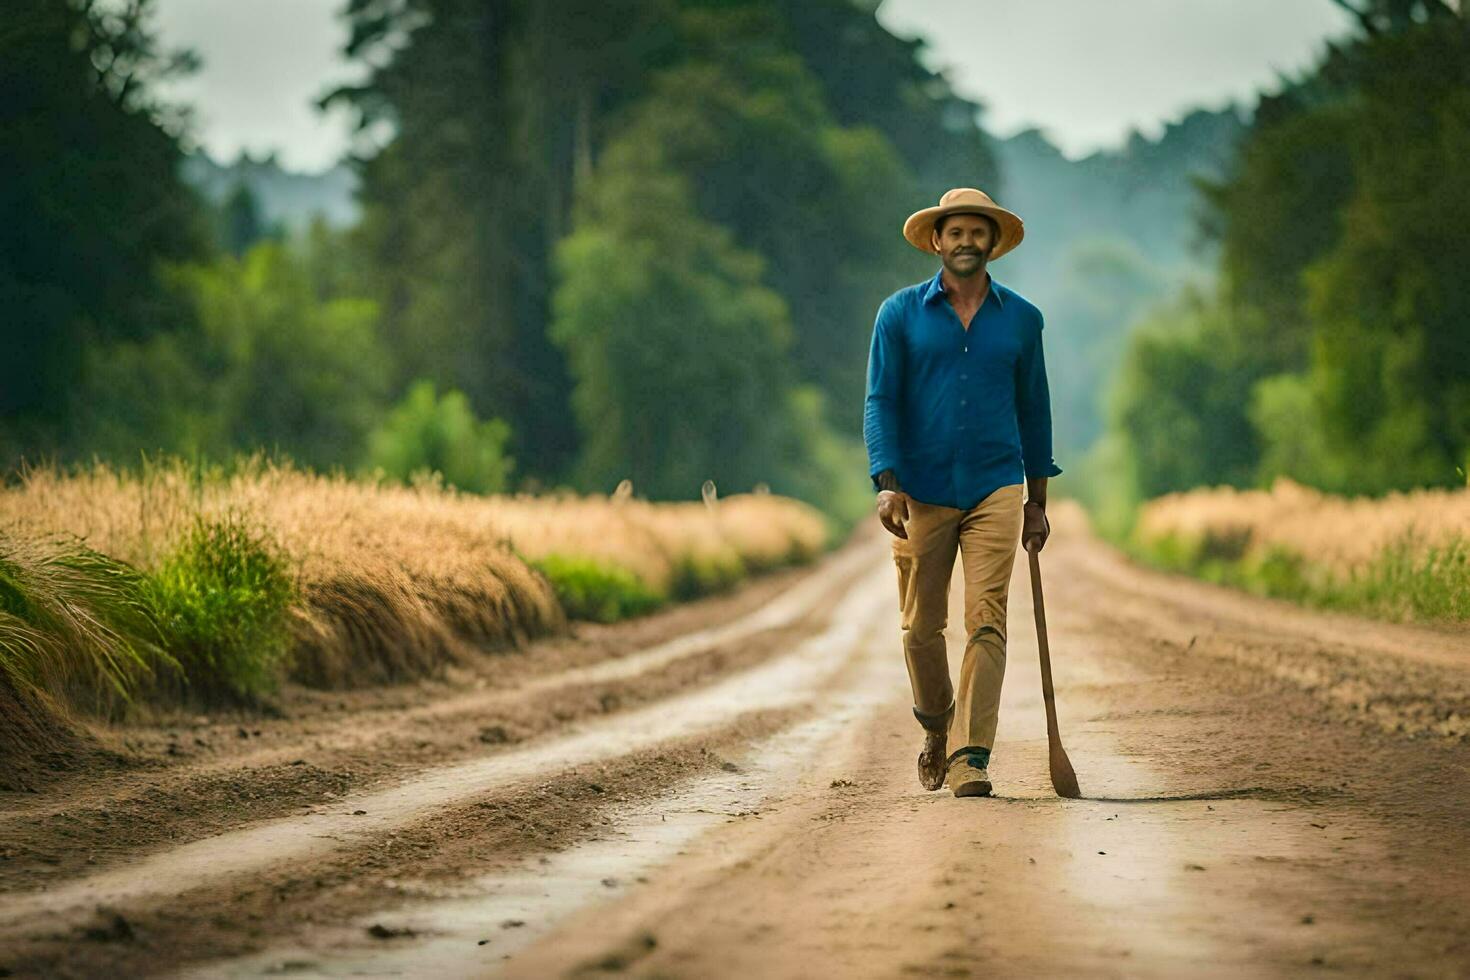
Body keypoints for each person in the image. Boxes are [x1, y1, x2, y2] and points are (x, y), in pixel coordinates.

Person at [863, 187, 1062, 798]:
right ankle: (936, 723)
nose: (967, 242)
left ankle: (970, 757)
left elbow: (1036, 412)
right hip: (920, 489)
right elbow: (881, 401)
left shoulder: (1023, 320)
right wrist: (887, 481)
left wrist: (1036, 501)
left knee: (987, 622)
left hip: (996, 486)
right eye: (956, 233)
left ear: (992, 243)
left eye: (979, 233)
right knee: (921, 628)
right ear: (937, 241)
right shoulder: (898, 315)